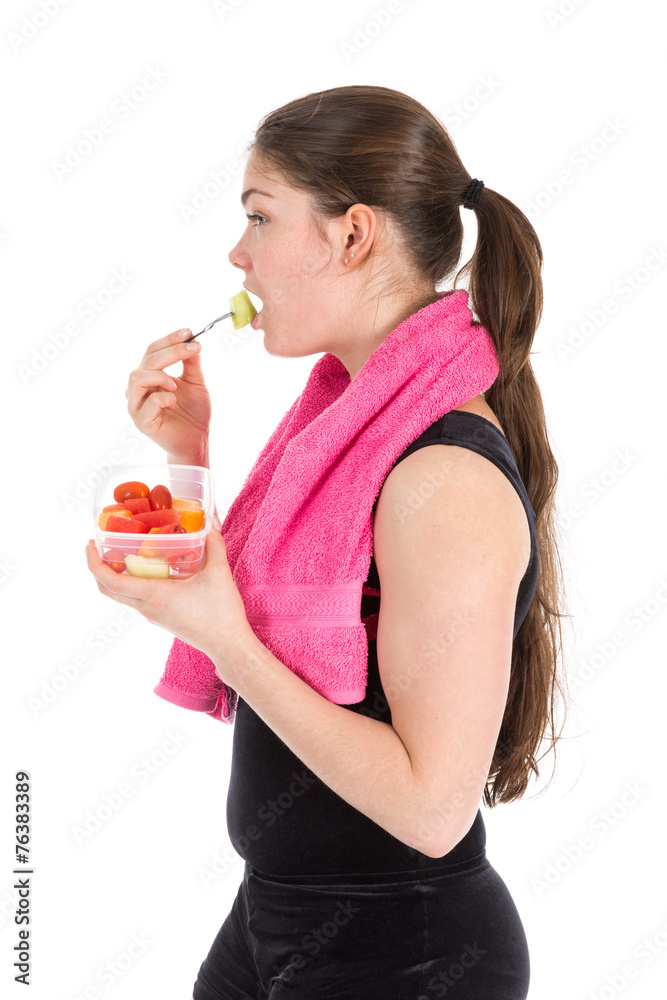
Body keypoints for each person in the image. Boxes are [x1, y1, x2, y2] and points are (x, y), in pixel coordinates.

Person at [86, 85, 570, 999]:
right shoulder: (358, 433)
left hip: (408, 955)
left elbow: (431, 811)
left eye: (260, 217)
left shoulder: (441, 480)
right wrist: (188, 456)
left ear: (352, 235)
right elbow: (276, 594)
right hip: (270, 918)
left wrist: (225, 638)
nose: (238, 254)